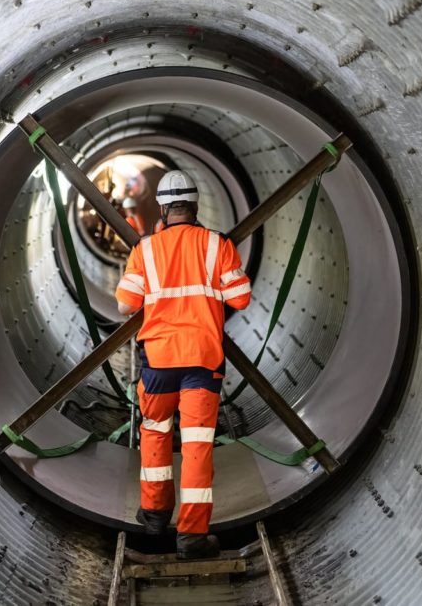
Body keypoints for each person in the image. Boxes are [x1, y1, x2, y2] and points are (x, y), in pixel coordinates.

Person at [114, 170, 252, 559]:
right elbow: (240, 299)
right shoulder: (217, 245)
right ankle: (192, 535)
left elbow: (125, 305)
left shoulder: (146, 249)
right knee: (196, 445)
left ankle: (155, 515)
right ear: (196, 207)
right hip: (202, 361)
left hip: (158, 360)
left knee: (155, 432)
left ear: (162, 208)